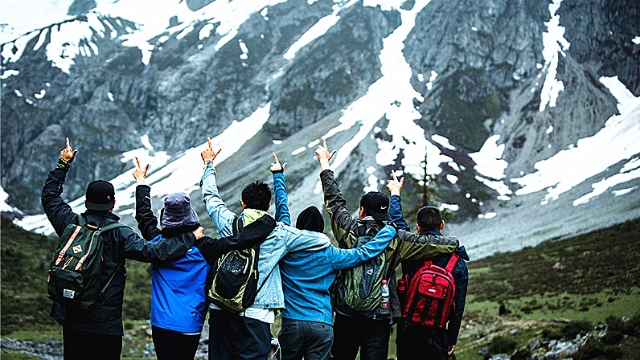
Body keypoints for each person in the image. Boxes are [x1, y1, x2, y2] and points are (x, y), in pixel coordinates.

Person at [41, 138, 202, 360]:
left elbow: (50, 197)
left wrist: (63, 164)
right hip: (105, 323)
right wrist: (189, 237)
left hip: (72, 316)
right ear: (113, 203)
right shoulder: (119, 233)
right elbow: (154, 252)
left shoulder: (70, 223)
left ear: (87, 201)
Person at [315, 139, 461, 360]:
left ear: (362, 211)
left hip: (347, 312)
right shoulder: (397, 238)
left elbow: (334, 202)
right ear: (385, 215)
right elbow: (430, 243)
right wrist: (455, 244)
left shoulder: (349, 229)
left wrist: (325, 164)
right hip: (379, 314)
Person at [200, 139, 333, 359]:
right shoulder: (280, 233)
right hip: (257, 311)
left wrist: (209, 165)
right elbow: (321, 241)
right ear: (268, 206)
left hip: (221, 307)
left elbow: (211, 197)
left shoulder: (228, 222)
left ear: (242, 203)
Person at [132, 157, 277, 360]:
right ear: (191, 217)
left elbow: (144, 216)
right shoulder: (206, 247)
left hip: (162, 321)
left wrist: (141, 181)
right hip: (191, 322)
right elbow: (238, 240)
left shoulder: (157, 242)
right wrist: (267, 222)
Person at [269, 153, 397, 360]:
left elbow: (282, 214)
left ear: (299, 227)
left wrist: (278, 176)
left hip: (292, 322)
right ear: (320, 230)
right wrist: (389, 231)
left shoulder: (288, 248)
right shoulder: (331, 254)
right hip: (322, 323)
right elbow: (363, 253)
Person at [387, 172, 469, 360]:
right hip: (438, 329)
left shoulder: (410, 248)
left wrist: (395, 193)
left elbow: (397, 223)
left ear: (417, 227)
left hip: (409, 327)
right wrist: (452, 336)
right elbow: (458, 304)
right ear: (442, 225)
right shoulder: (457, 261)